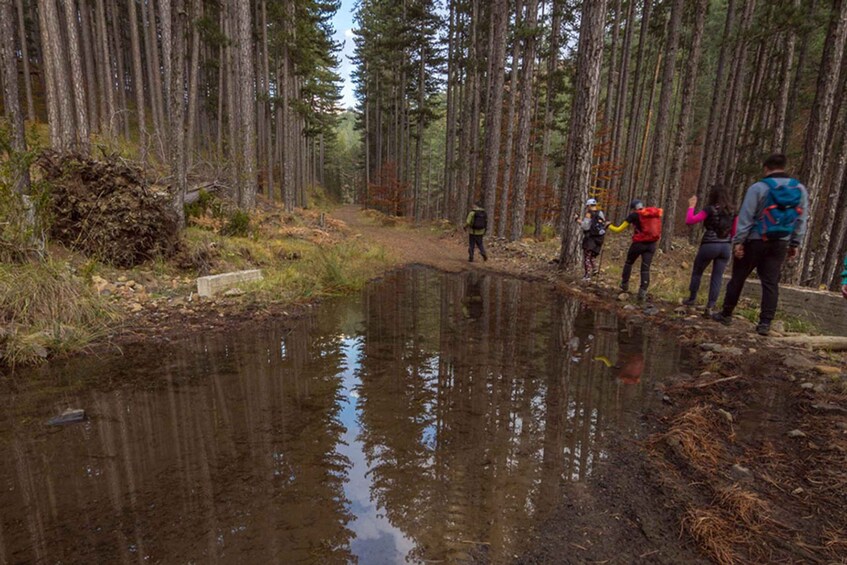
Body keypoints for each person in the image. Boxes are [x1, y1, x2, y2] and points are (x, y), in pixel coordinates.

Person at [712, 153, 808, 335]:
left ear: (766, 168)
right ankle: (765, 323)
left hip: (755, 240)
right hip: (781, 242)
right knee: (771, 282)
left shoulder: (758, 187)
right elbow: (802, 219)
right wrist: (795, 242)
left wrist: (739, 241)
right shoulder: (800, 189)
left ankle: (726, 313)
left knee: (738, 277)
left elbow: (746, 216)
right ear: (784, 167)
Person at [682, 186, 738, 317]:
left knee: (697, 272)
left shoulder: (709, 209)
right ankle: (710, 306)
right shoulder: (733, 211)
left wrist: (691, 206)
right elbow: (734, 232)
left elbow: (690, 220)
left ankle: (691, 299)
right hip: (725, 247)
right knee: (717, 276)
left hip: (709, 245)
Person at [607, 199, 663, 301]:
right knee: (645, 268)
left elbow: (618, 229)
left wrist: (608, 225)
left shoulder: (634, 215)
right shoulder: (651, 214)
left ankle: (624, 285)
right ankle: (643, 292)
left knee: (629, 262)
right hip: (651, 245)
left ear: (633, 208)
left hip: (638, 244)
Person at [576, 198, 606, 281]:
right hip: (599, 239)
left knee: (587, 257)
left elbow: (585, 226)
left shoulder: (589, 214)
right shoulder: (600, 213)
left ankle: (587, 275)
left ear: (589, 206)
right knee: (592, 256)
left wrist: (577, 220)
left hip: (590, 238)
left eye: (587, 206)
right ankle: (595, 270)